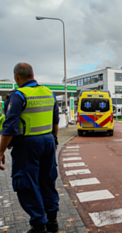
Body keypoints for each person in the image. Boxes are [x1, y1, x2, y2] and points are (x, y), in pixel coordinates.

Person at [0, 63, 60, 233]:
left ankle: (39, 224)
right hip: (48, 141)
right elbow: (55, 120)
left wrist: (1, 150)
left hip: (27, 145)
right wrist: (54, 140)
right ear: (32, 75)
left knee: (27, 182)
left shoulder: (19, 95)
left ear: (16, 77)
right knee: (47, 180)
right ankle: (52, 221)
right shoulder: (49, 92)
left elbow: (9, 127)